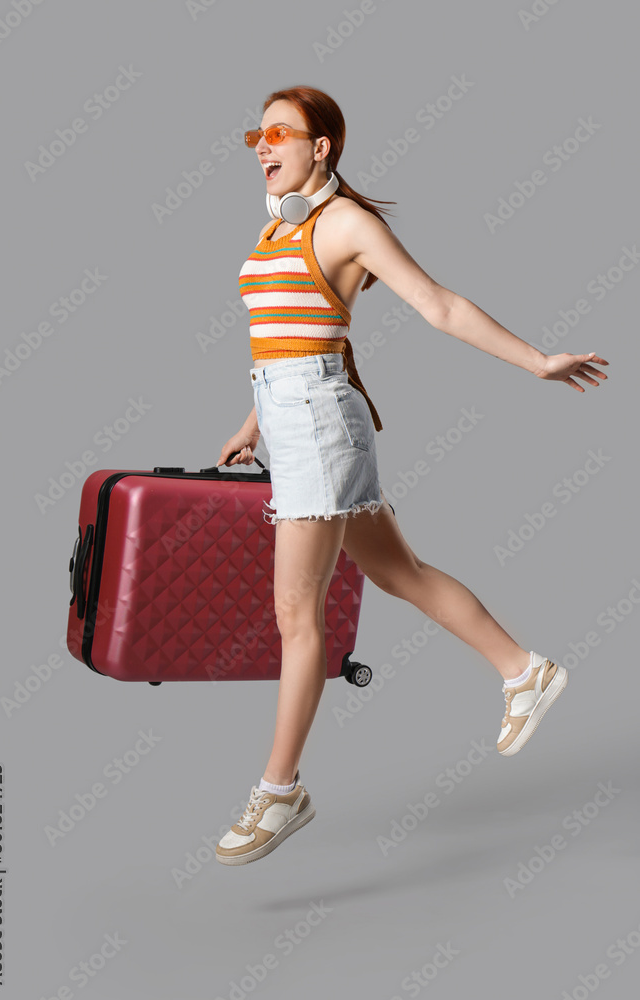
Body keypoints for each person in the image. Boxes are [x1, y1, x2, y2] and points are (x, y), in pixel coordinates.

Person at [213, 85, 609, 867]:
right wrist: (252, 423)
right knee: (399, 574)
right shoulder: (276, 225)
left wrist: (537, 361)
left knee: (297, 616)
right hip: (292, 420)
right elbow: (290, 339)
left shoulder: (348, 223)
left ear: (321, 145)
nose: (262, 146)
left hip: (321, 430)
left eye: (280, 134)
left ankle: (280, 790)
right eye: (255, 134)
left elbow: (438, 305)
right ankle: (523, 672)